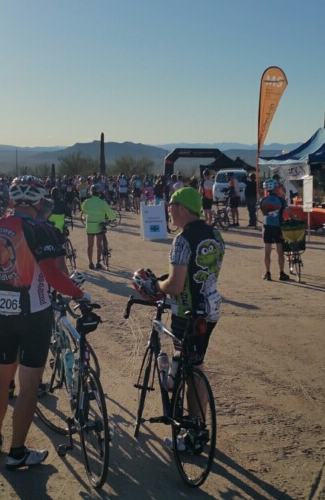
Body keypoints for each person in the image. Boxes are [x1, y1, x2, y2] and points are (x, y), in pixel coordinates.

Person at [0, 176, 90, 469]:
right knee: (29, 385)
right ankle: (17, 452)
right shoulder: (41, 229)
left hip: (1, 312)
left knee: (1, 377)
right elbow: (55, 276)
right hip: (34, 314)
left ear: (12, 201)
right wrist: (81, 294)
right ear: (39, 202)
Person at [133, 186, 224, 452]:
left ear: (182, 208)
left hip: (186, 313)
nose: (168, 211)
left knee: (189, 370)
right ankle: (197, 425)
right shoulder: (215, 234)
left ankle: (193, 433)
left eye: (171, 205)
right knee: (197, 365)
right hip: (210, 308)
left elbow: (174, 285)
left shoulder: (183, 240)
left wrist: (155, 285)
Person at [259, 179, 290, 281]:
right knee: (279, 251)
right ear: (276, 188)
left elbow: (263, 214)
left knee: (267, 251)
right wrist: (295, 218)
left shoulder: (263, 200)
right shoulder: (281, 200)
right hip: (278, 227)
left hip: (267, 227)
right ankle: (281, 273)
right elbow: (288, 212)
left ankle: (267, 273)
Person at [81, 185, 118, 270]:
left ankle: (90, 263)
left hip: (90, 225)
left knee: (90, 245)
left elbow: (83, 208)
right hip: (99, 225)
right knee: (99, 246)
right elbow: (110, 214)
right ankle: (98, 263)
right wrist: (113, 217)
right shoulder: (102, 203)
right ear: (99, 193)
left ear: (91, 192)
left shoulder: (87, 202)